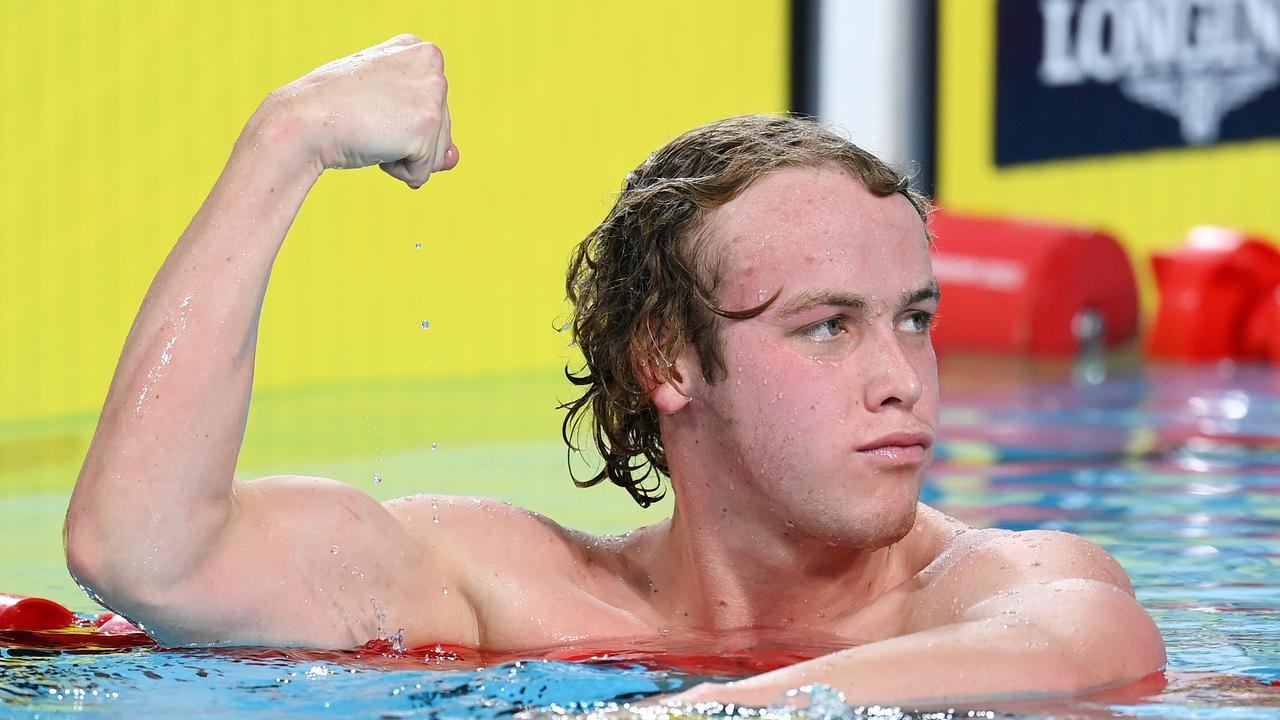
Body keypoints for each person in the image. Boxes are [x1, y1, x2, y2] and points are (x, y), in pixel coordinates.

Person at [64, 35, 1166, 707]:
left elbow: (1090, 648)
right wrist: (285, 138)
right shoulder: (508, 591)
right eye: (827, 326)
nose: (901, 379)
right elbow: (144, 554)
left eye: (912, 317)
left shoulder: (973, 593)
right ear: (667, 362)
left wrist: (676, 718)